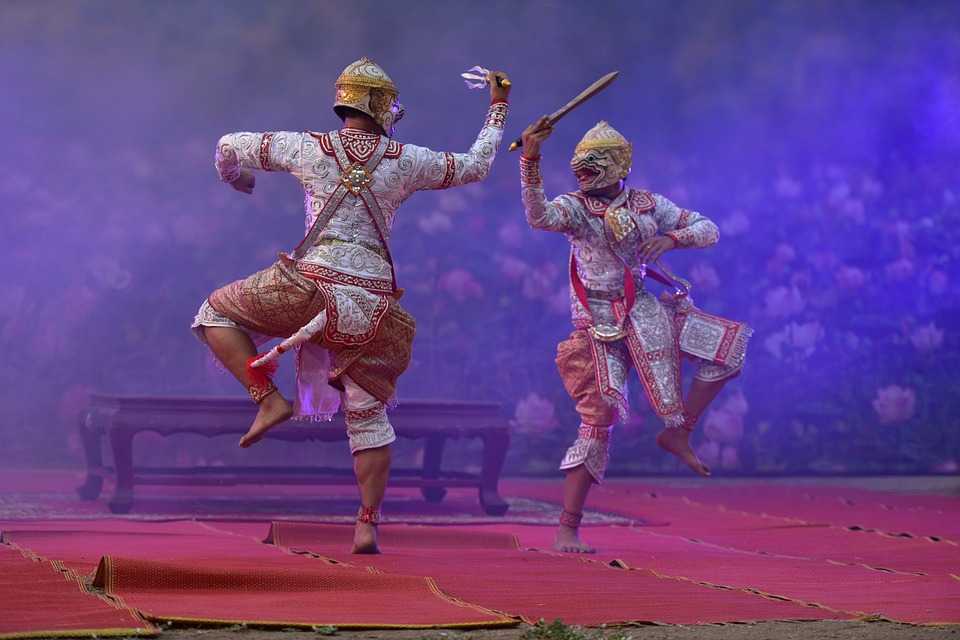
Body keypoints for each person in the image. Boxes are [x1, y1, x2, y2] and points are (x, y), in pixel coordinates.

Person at [192, 58, 511, 553]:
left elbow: (227, 145)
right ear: (384, 108)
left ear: (343, 103)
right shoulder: (407, 159)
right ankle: (367, 524)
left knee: (214, 313)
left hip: (306, 287)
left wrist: (238, 180)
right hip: (371, 303)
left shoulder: (306, 146)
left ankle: (268, 399)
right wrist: (497, 107)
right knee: (367, 415)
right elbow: (477, 165)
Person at [518, 117, 751, 553]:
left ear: (619, 165)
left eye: (594, 164)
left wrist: (673, 238)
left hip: (644, 307)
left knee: (727, 351)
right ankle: (568, 527)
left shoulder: (648, 204)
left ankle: (678, 431)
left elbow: (709, 228)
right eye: (579, 166)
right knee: (599, 417)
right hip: (596, 317)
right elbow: (538, 216)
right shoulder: (574, 207)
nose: (583, 172)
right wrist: (530, 161)